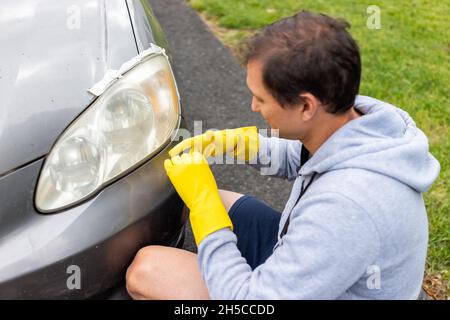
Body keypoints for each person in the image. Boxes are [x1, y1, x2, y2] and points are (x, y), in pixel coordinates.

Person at [125, 11, 440, 300]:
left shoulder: (345, 207)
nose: (253, 107)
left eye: (261, 98)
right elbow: (306, 155)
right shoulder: (361, 122)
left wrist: (207, 215)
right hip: (324, 268)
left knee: (147, 270)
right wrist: (240, 146)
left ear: (305, 105)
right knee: (198, 198)